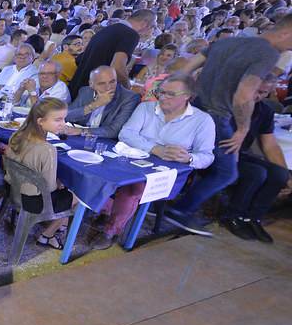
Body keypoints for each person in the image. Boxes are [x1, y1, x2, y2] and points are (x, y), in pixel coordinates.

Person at [164, 17, 292, 236]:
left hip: (194, 108)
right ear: (286, 33)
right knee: (226, 173)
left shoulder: (228, 42)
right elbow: (245, 94)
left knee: (184, 158)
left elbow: (185, 70)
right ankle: (179, 210)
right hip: (217, 116)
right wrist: (242, 129)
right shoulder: (268, 53)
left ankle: (168, 205)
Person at [86, 74, 216, 249]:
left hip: (167, 173)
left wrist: (190, 158)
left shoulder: (202, 120)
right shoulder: (146, 108)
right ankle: (105, 209)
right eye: (160, 92)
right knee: (96, 168)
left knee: (134, 187)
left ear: (187, 96)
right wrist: (156, 149)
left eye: (170, 94)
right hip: (131, 162)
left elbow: (207, 157)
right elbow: (126, 133)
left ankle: (112, 230)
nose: (163, 97)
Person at [219, 75, 291, 243]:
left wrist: (287, 177)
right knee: (256, 173)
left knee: (279, 174)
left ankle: (253, 217)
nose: (257, 95)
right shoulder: (228, 104)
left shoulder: (264, 111)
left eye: (263, 92)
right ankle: (233, 215)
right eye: (256, 90)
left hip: (241, 153)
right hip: (220, 152)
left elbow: (270, 145)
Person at [5, 98, 74, 250]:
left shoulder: (17, 135)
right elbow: (49, 187)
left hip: (14, 191)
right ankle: (48, 234)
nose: (63, 123)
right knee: (79, 196)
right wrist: (59, 183)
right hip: (32, 201)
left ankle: (60, 225)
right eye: (58, 120)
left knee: (64, 188)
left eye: (64, 119)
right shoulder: (47, 149)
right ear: (41, 121)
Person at [68, 8, 156, 98]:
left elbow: (79, 59)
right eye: (153, 26)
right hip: (92, 94)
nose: (152, 30)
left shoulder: (109, 29)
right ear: (145, 24)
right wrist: (129, 89)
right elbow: (118, 67)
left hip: (77, 87)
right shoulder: (130, 34)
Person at [63, 66, 140, 140]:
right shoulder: (86, 91)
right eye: (102, 83)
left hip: (104, 140)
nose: (108, 87)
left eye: (112, 82)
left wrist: (81, 131)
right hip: (78, 137)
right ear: (91, 84)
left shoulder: (129, 98)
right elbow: (65, 115)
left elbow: (114, 131)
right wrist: (95, 104)